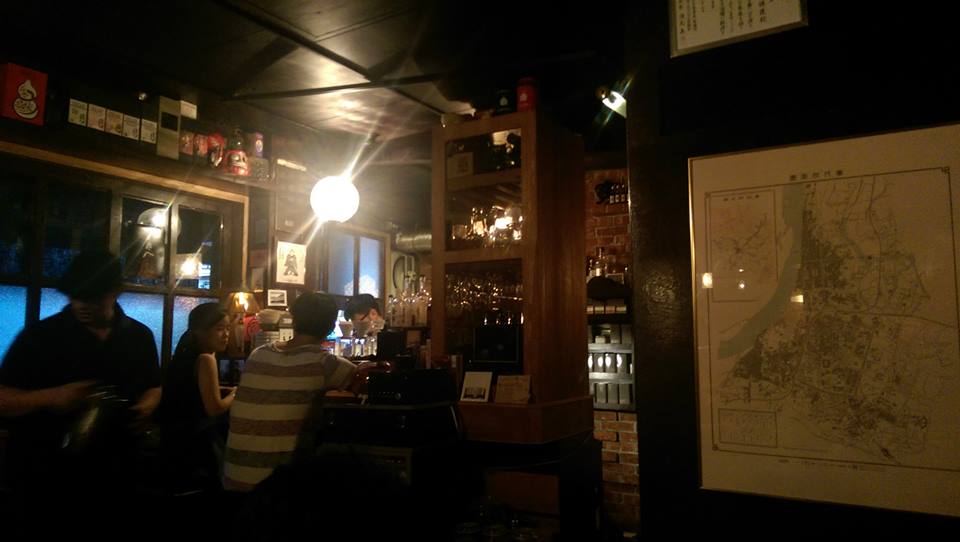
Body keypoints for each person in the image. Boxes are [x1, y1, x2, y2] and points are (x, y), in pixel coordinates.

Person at [0, 249, 161, 532]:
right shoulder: (40, 337)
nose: (81, 304)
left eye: (93, 297)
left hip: (119, 470)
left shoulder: (139, 336)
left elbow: (154, 386)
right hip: (47, 475)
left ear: (116, 292)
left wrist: (145, 407)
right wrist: (51, 396)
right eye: (75, 296)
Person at [224, 292, 357, 491]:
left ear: (294, 320)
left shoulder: (258, 354)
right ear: (331, 327)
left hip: (232, 476)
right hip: (274, 489)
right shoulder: (324, 362)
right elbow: (358, 379)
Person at [157, 302, 235, 492]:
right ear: (200, 331)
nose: (226, 334)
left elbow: (189, 389)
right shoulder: (206, 358)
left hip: (172, 440)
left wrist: (219, 389)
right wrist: (235, 393)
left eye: (228, 328)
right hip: (197, 445)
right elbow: (214, 408)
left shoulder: (184, 354)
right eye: (219, 329)